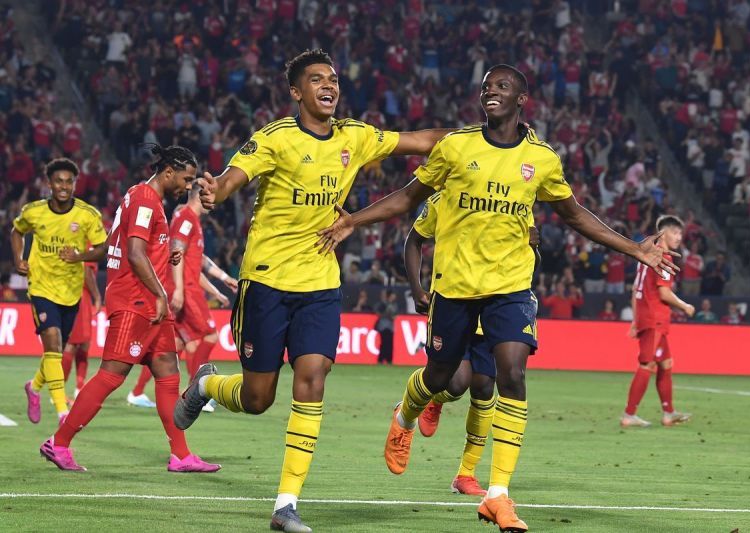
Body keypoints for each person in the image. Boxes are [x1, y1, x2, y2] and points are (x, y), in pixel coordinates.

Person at [316, 64, 676, 532]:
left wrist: (633, 248)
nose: (491, 93)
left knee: (511, 374)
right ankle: (405, 413)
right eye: (486, 87)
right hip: (456, 288)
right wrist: (353, 220)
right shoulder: (457, 147)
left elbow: (574, 215)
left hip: (510, 288)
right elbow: (407, 198)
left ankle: (499, 494)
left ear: (521, 98)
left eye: (501, 87)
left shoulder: (541, 159)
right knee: (444, 376)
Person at [173, 49, 450, 533]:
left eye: (334, 79)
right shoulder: (275, 138)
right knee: (258, 398)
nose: (329, 86)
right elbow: (234, 177)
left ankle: (286, 504)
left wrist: (481, 139)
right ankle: (207, 384)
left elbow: (423, 139)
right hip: (266, 280)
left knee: (313, 378)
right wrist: (217, 189)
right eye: (316, 79)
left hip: (320, 283)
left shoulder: (354, 136)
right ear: (296, 92)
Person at [40, 145, 219, 474]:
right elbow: (135, 254)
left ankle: (180, 455)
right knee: (111, 375)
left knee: (167, 372)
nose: (188, 185)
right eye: (186, 178)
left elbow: (116, 244)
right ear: (168, 172)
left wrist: (167, 259)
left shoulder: (139, 197)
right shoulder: (146, 200)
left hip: (148, 301)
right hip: (136, 301)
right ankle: (59, 442)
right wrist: (161, 293)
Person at [407, 192, 542, 496]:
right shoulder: (446, 199)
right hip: (456, 301)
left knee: (483, 388)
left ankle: (466, 474)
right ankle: (433, 400)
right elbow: (413, 240)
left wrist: (534, 245)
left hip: (496, 308)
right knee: (455, 383)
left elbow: (532, 258)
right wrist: (418, 289)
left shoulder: (516, 203)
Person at [11, 158, 108, 426]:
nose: (63, 186)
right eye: (58, 181)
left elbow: (103, 247)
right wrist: (20, 258)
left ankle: (34, 387)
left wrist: (80, 256)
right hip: (41, 288)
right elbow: (16, 232)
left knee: (57, 349)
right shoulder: (34, 211)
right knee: (53, 343)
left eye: (69, 181)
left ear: (74, 184)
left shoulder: (87, 215)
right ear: (49, 184)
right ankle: (63, 411)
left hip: (71, 291)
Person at [127, 183, 237, 409]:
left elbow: (197, 261)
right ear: (200, 197)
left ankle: (137, 392)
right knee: (208, 337)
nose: (213, 202)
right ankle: (194, 395)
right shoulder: (186, 219)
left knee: (176, 344)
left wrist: (220, 282)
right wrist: (177, 288)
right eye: (210, 197)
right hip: (185, 290)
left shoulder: (187, 219)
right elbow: (177, 252)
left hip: (186, 286)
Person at [622, 215, 695, 429]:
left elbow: (636, 289)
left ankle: (668, 413)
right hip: (655, 318)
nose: (679, 237)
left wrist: (636, 320)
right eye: (675, 232)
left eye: (681, 233)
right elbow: (664, 292)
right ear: (662, 234)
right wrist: (684, 306)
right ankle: (629, 415)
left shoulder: (645, 255)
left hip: (648, 317)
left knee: (666, 364)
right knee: (647, 364)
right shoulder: (664, 257)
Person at [62, 260, 102, 400]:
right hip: (79, 296)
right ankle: (60, 390)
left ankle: (79, 387)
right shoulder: (88, 243)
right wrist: (97, 296)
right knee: (73, 344)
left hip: (72, 293)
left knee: (83, 343)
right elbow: (87, 272)